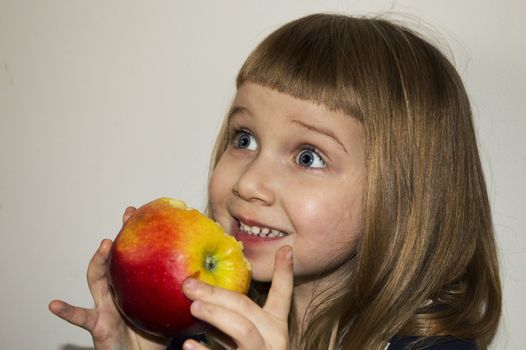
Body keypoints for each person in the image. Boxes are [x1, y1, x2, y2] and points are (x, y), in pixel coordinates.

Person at [49, 13, 501, 350]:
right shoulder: (203, 332)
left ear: (405, 195)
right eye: (243, 138)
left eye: (308, 156)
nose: (249, 183)